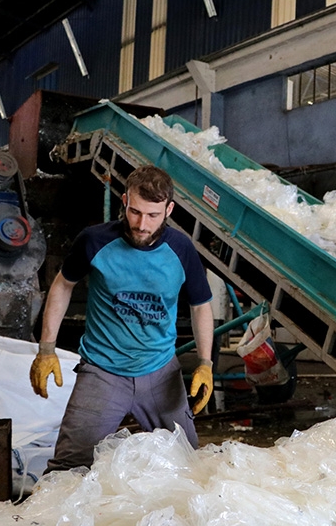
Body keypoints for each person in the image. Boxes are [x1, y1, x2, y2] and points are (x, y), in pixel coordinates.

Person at [29, 165, 215, 472]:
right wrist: (46, 349)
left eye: (153, 216)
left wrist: (205, 364)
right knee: (68, 470)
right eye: (135, 212)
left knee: (188, 463)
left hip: (160, 373)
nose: (142, 225)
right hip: (102, 372)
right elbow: (62, 285)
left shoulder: (181, 250)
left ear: (168, 209)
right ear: (125, 201)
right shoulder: (94, 241)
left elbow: (201, 305)